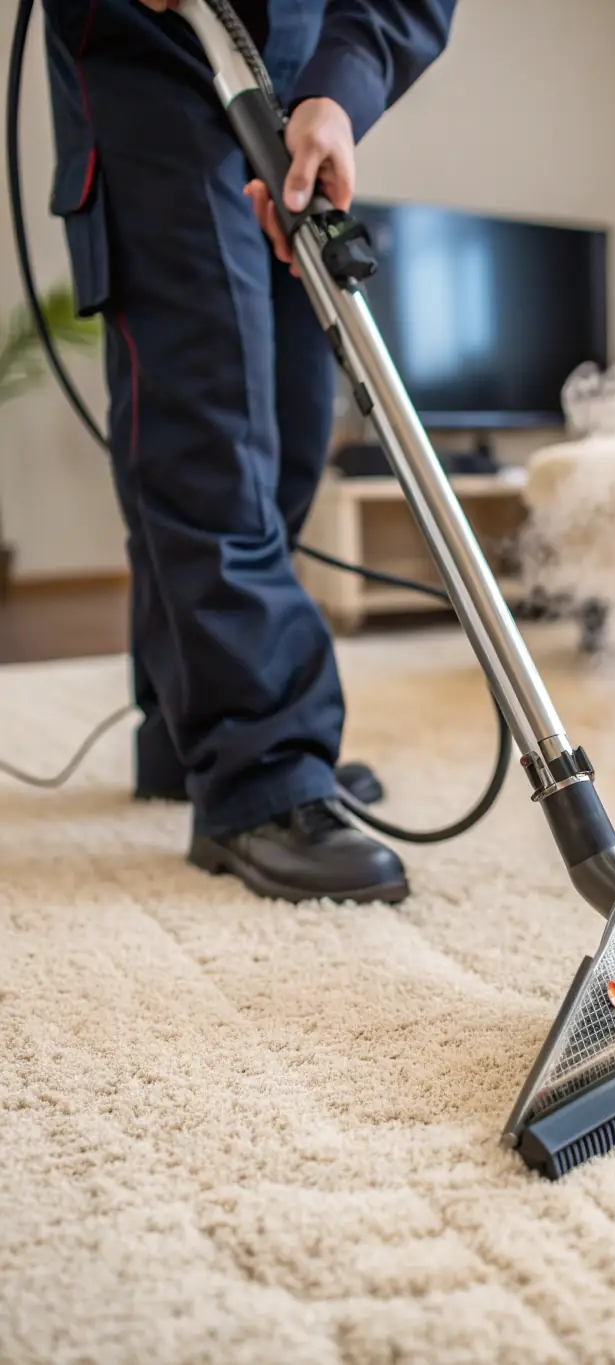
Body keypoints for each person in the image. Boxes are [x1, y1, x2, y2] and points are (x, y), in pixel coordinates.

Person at [41, 0, 457, 904]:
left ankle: (183, 737)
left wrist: (340, 93)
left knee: (293, 422)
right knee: (210, 409)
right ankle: (259, 769)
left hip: (293, 61)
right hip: (143, 51)